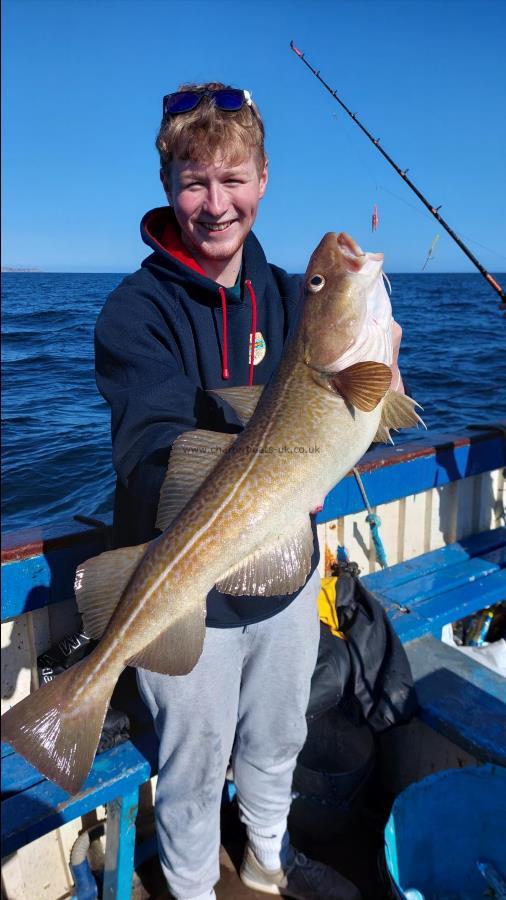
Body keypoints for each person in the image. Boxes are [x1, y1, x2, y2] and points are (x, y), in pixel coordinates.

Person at [95, 82, 402, 900]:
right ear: (168, 189)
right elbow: (153, 448)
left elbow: (352, 416)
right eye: (195, 181)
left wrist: (370, 383)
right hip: (185, 583)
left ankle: (268, 862)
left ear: (264, 179)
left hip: (287, 572)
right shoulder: (133, 312)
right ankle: (195, 887)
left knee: (278, 735)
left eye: (234, 179)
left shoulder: (280, 291)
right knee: (191, 766)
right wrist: (264, 479)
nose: (216, 203)